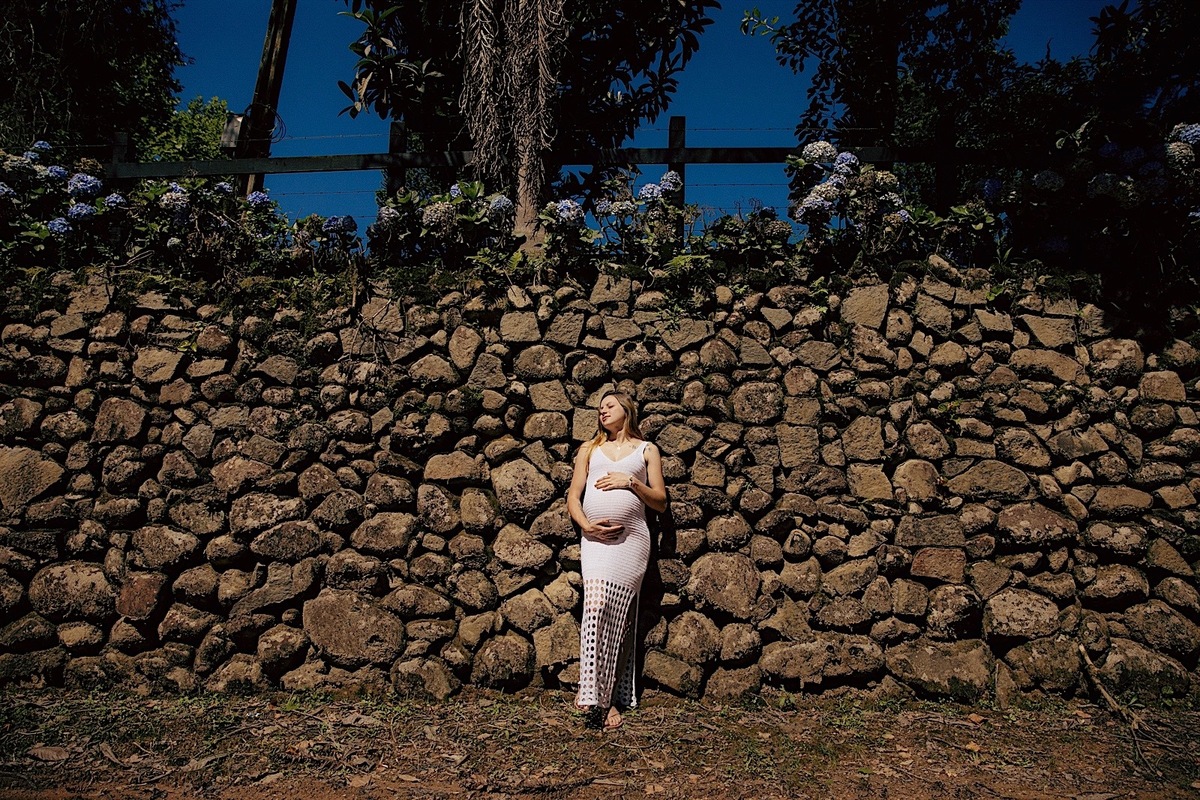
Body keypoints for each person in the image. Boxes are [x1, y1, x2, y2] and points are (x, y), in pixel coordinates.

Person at [566, 390, 668, 731]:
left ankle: (606, 699)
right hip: (595, 540)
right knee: (594, 607)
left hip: (632, 541)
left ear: (627, 410)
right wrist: (586, 526)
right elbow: (573, 496)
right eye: (599, 408)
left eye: (609, 405)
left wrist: (631, 482)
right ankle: (589, 692)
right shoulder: (589, 449)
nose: (602, 411)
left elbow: (661, 502)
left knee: (621, 618)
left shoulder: (646, 450)